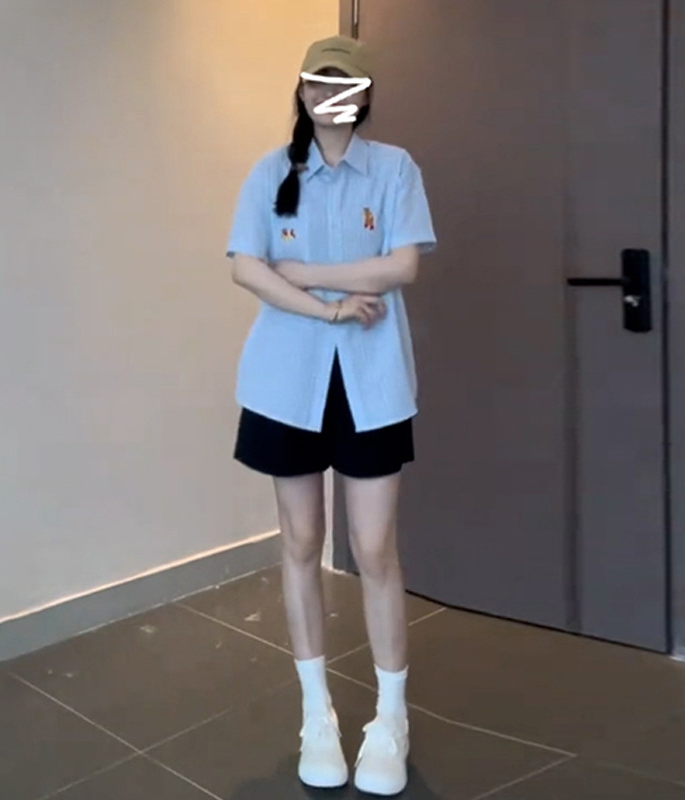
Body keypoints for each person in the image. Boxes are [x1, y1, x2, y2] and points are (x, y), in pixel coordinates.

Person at [225, 34, 436, 796]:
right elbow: (247, 267)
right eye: (318, 83)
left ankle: (390, 717)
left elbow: (403, 264)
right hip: (286, 383)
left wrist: (310, 275)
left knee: (374, 548)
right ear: (303, 91)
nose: (329, 96)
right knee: (302, 543)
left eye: (344, 85)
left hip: (373, 385)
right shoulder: (270, 172)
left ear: (363, 96)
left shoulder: (395, 169)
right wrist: (331, 309)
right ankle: (317, 714)